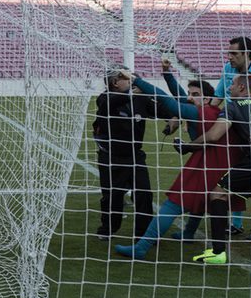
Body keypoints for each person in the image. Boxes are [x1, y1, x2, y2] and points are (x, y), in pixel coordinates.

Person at [115, 63, 239, 260]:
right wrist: (167, 74)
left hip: (209, 162)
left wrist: (135, 80)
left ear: (207, 98)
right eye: (190, 93)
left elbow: (170, 103)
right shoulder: (209, 110)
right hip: (223, 162)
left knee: (173, 204)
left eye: (195, 94)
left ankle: (142, 247)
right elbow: (179, 96)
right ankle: (188, 233)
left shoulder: (202, 112)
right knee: (202, 199)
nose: (189, 97)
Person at [181, 74, 251, 265]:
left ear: (242, 88)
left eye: (232, 84)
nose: (229, 88)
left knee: (218, 194)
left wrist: (188, 146)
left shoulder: (233, 106)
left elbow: (213, 136)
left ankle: (218, 251)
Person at [211, 37, 251, 239]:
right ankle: (236, 223)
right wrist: (202, 115)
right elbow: (217, 97)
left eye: (234, 53)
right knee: (235, 175)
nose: (229, 57)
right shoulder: (227, 70)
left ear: (247, 54)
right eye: (229, 53)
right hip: (233, 131)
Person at [93, 68, 156, 241]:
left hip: (135, 155)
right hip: (111, 156)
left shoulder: (139, 98)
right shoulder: (104, 98)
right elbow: (112, 102)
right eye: (126, 78)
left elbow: (159, 109)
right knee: (112, 195)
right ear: (115, 82)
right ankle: (108, 229)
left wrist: (172, 118)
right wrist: (133, 90)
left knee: (143, 194)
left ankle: (143, 234)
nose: (131, 80)